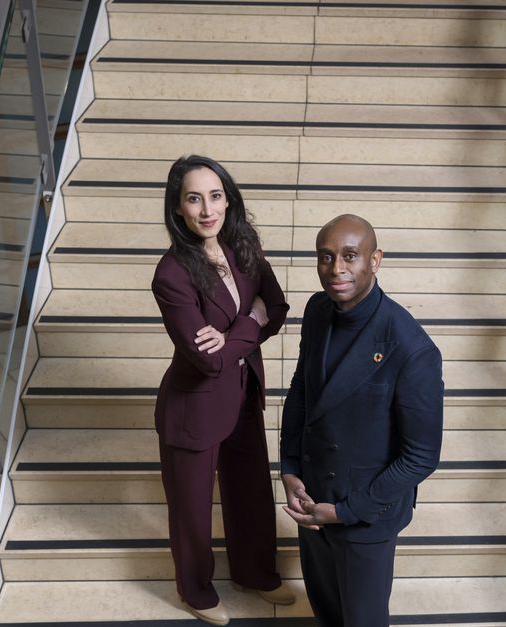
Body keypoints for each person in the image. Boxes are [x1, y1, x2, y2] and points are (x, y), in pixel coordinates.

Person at [279, 214, 444, 626]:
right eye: (326, 256)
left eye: (350, 256)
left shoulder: (412, 348)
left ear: (375, 260)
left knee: (363, 620)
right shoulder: (317, 309)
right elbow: (302, 390)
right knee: (325, 608)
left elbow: (421, 457)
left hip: (366, 514)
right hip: (312, 498)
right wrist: (290, 467)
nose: (336, 268)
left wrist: (346, 511)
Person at [152, 155, 295, 625]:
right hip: (193, 406)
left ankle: (255, 573)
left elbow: (276, 307)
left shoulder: (243, 245)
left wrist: (235, 332)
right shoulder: (172, 274)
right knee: (191, 509)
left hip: (243, 390)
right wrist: (250, 320)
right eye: (194, 199)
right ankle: (195, 591)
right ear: (178, 208)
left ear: (228, 199)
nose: (207, 209)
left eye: (215, 196)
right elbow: (209, 359)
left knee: (250, 490)